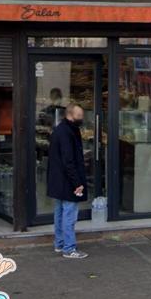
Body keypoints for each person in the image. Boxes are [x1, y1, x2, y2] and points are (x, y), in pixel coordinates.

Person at [46, 102, 89, 259]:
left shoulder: (61, 130)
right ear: (70, 115)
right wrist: (77, 183)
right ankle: (69, 248)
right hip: (68, 181)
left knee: (60, 213)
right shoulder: (67, 132)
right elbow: (68, 160)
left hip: (59, 180)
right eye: (79, 116)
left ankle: (60, 243)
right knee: (69, 215)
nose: (81, 118)